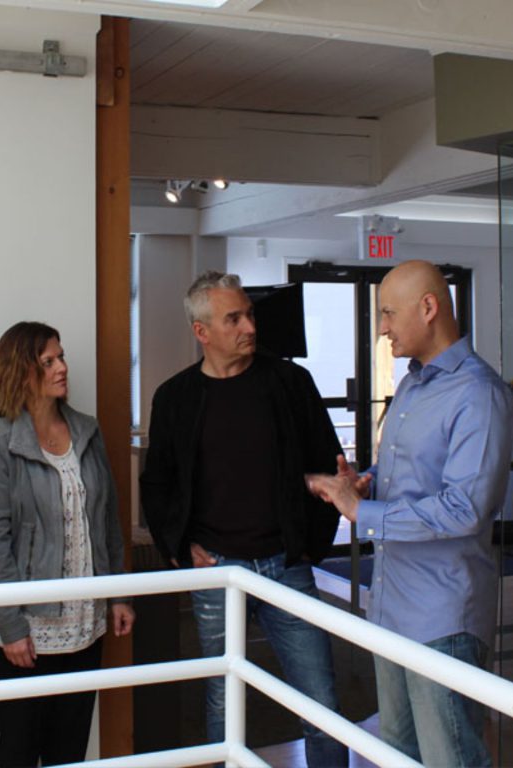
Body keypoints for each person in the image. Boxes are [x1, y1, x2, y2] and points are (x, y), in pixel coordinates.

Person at [306, 260, 513, 767]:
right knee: (398, 753)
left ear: (428, 308)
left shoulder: (479, 394)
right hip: (393, 607)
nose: (382, 328)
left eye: (388, 313)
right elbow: (412, 472)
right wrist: (367, 480)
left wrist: (363, 511)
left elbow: (464, 508)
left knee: (450, 759)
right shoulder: (413, 383)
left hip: (443, 616)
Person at [140, 271, 349, 767]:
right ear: (202, 332)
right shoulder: (174, 397)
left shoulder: (290, 382)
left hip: (287, 564)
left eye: (249, 315)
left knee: (322, 702)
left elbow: (327, 460)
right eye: (233, 319)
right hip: (218, 571)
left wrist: (310, 535)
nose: (250, 327)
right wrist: (180, 547)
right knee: (223, 700)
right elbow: (158, 483)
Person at [0, 321, 136, 768]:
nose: (62, 367)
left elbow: (107, 520)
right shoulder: (1, 443)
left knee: (70, 752)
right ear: (21, 372)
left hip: (85, 624)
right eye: (48, 361)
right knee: (19, 750)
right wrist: (11, 627)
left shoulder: (87, 431)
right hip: (27, 629)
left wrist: (118, 594)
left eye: (60, 357)